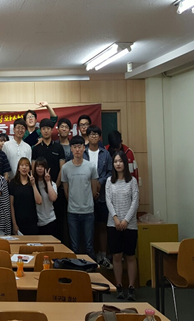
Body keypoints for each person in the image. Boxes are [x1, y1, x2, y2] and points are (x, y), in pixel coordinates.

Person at [106, 150, 139, 301]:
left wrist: (125, 220)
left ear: (125, 163)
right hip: (113, 224)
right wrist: (116, 218)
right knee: (117, 255)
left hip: (129, 225)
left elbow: (135, 202)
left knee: (130, 255)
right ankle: (119, 285)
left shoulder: (132, 181)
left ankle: (131, 287)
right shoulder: (109, 181)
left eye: (120, 161)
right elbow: (108, 201)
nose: (118, 164)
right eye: (115, 161)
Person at [61, 136, 99, 261]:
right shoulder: (65, 168)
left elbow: (94, 190)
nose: (77, 149)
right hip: (72, 212)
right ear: (71, 149)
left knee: (89, 246)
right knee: (75, 247)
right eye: (74, 147)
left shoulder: (91, 166)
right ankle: (76, 271)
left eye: (80, 147)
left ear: (84, 148)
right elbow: (66, 191)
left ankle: (92, 271)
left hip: (88, 212)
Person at [84, 125, 113, 269]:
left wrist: (100, 183)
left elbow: (110, 172)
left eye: (96, 134)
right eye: (91, 134)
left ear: (99, 137)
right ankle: (87, 257)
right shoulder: (82, 152)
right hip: (85, 195)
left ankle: (102, 255)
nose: (94, 136)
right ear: (87, 136)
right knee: (87, 227)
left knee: (102, 226)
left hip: (101, 196)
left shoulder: (105, 154)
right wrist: (91, 186)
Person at [32, 118, 67, 241]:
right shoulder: (36, 149)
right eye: (43, 128)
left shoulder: (58, 148)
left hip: (55, 188)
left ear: (52, 130)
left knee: (58, 224)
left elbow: (62, 169)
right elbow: (33, 169)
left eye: (48, 128)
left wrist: (53, 186)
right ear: (40, 130)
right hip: (39, 189)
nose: (46, 131)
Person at [9, 157, 41, 235]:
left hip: (31, 221)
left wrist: (33, 185)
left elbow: (39, 201)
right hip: (18, 221)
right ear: (18, 168)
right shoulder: (13, 183)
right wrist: (14, 224)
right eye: (22, 165)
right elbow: (11, 204)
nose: (24, 167)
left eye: (26, 165)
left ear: (29, 168)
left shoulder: (33, 182)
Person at [32, 157, 58, 236]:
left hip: (50, 220)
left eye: (42, 166)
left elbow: (53, 198)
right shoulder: (32, 183)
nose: (40, 169)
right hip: (37, 222)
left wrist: (48, 181)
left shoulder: (52, 184)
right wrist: (33, 184)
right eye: (38, 166)